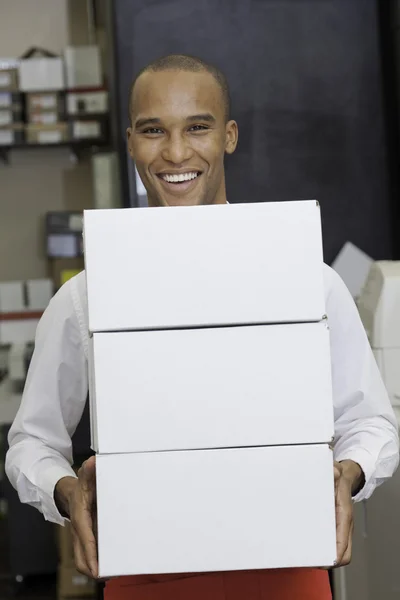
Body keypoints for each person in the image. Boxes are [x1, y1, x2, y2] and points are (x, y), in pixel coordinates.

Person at [5, 54, 399, 600]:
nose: (175, 152)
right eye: (152, 131)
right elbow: (30, 442)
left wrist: (347, 474)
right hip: (146, 576)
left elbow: (371, 421)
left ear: (229, 136)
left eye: (197, 127)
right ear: (130, 142)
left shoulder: (308, 279)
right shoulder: (85, 297)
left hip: (287, 572)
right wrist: (67, 491)